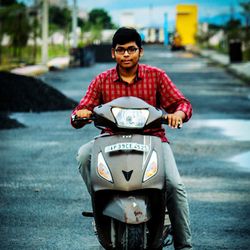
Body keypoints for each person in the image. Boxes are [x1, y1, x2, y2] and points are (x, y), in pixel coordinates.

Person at [71, 27, 192, 250]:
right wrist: (81, 114)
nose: (126, 55)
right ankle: (102, 205)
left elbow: (181, 103)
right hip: (111, 139)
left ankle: (184, 245)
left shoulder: (156, 76)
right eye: (121, 50)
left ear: (140, 52)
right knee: (84, 155)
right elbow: (82, 108)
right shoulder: (102, 80)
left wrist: (178, 114)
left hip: (153, 140)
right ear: (113, 53)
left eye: (131, 50)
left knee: (175, 185)